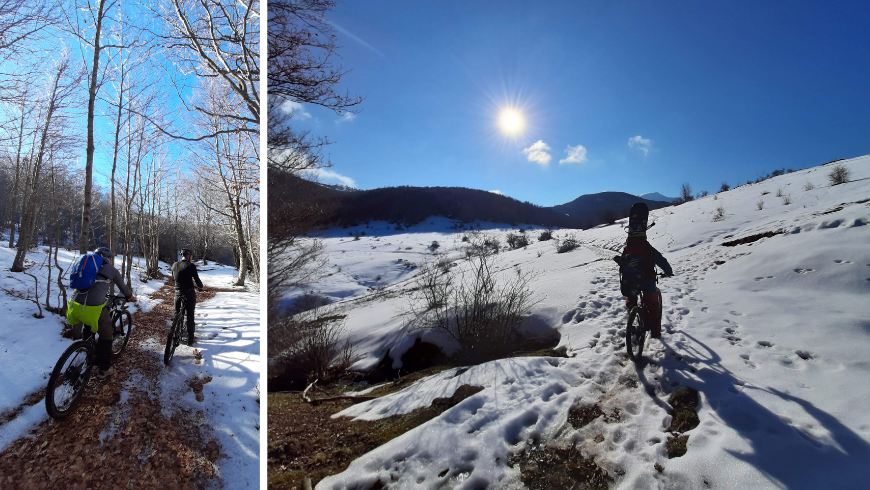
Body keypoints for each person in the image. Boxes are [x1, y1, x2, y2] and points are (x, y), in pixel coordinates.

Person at [67, 247, 136, 379]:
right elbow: (124, 289)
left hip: (75, 305)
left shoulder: (86, 266)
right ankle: (104, 369)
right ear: (108, 258)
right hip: (93, 308)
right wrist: (130, 297)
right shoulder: (111, 270)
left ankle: (88, 349)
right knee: (107, 334)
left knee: (89, 324)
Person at [613, 203, 673, 339]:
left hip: (630, 281)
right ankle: (655, 332)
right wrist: (668, 272)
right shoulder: (648, 248)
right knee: (652, 304)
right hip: (647, 280)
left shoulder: (627, 248)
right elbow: (661, 261)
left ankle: (633, 315)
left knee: (631, 298)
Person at [171, 248, 204, 346]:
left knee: (177, 314)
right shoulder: (191, 266)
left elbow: (173, 278)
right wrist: (200, 287)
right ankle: (190, 340)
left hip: (178, 293)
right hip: (189, 293)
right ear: (189, 256)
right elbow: (197, 281)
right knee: (190, 316)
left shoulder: (174, 265)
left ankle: (175, 334)